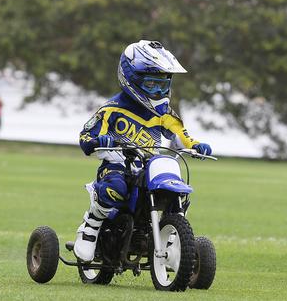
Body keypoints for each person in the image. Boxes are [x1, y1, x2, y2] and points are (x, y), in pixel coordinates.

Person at [73, 40, 213, 262]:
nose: (158, 90)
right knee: (116, 188)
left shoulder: (164, 113)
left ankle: (172, 239)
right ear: (131, 79)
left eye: (163, 85)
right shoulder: (112, 109)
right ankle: (91, 225)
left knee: (176, 192)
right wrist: (98, 140)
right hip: (118, 165)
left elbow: (180, 134)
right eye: (151, 84)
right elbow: (86, 136)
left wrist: (195, 145)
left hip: (150, 165)